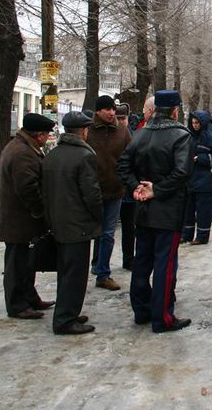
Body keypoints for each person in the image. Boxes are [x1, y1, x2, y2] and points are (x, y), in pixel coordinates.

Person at [117, 90, 192, 333]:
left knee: (142, 262)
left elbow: (123, 165)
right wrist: (154, 190)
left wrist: (136, 187)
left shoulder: (140, 133)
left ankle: (141, 310)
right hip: (167, 212)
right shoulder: (180, 136)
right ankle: (162, 317)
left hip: (144, 210)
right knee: (164, 265)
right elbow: (181, 172)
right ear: (175, 110)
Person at [42, 111, 102, 335]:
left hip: (58, 222)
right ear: (83, 131)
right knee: (75, 275)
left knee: (65, 272)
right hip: (78, 224)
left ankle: (67, 313)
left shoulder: (53, 154)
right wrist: (98, 216)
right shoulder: (84, 156)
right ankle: (65, 320)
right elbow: (92, 194)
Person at [0, 113, 56, 320]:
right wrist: (40, 211)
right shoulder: (22, 153)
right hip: (18, 220)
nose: (47, 138)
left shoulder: (23, 147)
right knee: (16, 264)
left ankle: (30, 297)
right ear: (38, 135)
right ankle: (17, 305)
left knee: (26, 262)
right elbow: (27, 188)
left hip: (21, 220)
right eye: (46, 135)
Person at [87, 95, 132, 291]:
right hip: (91, 191)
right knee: (91, 232)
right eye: (107, 109)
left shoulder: (122, 131)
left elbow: (131, 155)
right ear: (98, 111)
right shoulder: (87, 131)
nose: (112, 113)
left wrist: (126, 180)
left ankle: (103, 273)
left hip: (115, 191)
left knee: (107, 233)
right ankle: (93, 266)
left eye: (113, 109)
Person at [182, 110, 212, 245]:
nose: (195, 125)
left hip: (205, 180)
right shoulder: (188, 136)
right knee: (188, 209)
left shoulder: (210, 138)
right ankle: (186, 234)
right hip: (190, 179)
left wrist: (201, 158)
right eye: (193, 123)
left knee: (203, 211)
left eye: (197, 123)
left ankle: (202, 236)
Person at [116, 103, 136, 270]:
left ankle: (128, 258)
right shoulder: (110, 134)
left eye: (123, 118)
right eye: (118, 118)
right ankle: (98, 261)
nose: (121, 121)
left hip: (128, 190)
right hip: (113, 188)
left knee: (129, 228)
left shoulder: (133, 134)